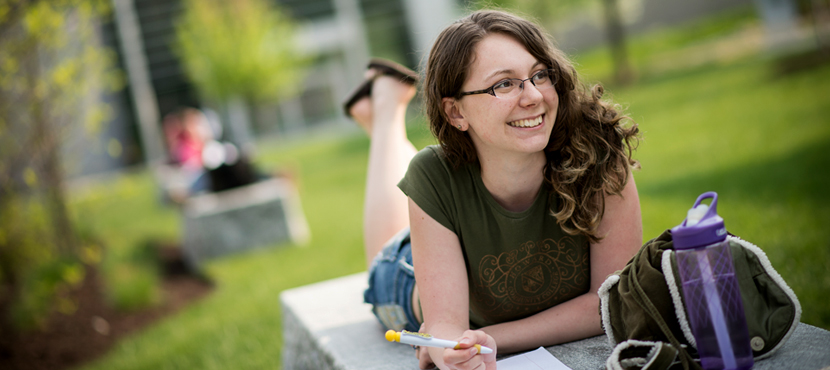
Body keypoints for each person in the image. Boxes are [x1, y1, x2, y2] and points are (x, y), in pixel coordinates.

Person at [347, 9, 642, 370]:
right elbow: (444, 329)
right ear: (456, 113)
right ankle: (386, 111)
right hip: (407, 273)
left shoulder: (597, 154)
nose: (532, 96)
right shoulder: (432, 174)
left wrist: (490, 339)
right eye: (504, 84)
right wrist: (449, 348)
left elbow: (611, 302)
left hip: (452, 238)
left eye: (539, 75)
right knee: (392, 234)